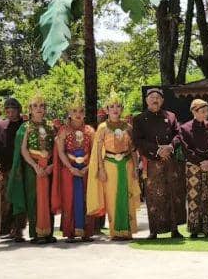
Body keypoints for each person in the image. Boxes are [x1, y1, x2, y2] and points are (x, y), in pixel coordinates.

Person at [133, 88, 185, 239]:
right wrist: (157, 150)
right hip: (152, 161)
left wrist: (170, 147)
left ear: (162, 101)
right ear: (146, 100)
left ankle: (174, 229)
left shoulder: (170, 116)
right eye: (151, 97)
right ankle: (154, 231)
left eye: (158, 97)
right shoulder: (139, 119)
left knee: (173, 193)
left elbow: (178, 134)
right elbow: (138, 140)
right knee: (154, 196)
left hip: (170, 160)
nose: (155, 100)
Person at [87, 92, 140, 240]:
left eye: (118, 106)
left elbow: (133, 149)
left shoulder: (128, 127)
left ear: (122, 109)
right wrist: (101, 169)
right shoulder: (102, 127)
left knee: (127, 196)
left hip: (127, 164)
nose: (115, 109)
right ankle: (115, 232)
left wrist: (136, 168)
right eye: (112, 106)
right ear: (107, 109)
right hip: (109, 164)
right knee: (112, 197)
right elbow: (97, 151)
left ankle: (127, 231)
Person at [8, 92, 56, 243]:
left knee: (48, 199)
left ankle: (48, 232)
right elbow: (22, 150)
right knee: (33, 199)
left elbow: (56, 149)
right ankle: (36, 233)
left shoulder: (50, 127)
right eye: (35, 106)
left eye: (42, 106)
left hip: (47, 168)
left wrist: (51, 166)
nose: (39, 109)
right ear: (30, 109)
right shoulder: (25, 127)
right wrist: (35, 166)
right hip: (32, 169)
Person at [52, 94, 96, 242]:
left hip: (86, 171)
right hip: (68, 170)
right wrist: (71, 168)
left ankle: (86, 232)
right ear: (69, 113)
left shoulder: (90, 130)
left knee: (85, 198)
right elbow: (60, 152)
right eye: (74, 111)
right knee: (69, 199)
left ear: (84, 114)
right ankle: (70, 232)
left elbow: (95, 152)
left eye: (81, 111)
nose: (78, 114)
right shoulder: (63, 130)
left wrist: (88, 167)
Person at [176, 98, 208, 238]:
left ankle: (207, 228)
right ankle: (194, 228)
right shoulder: (185, 128)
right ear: (193, 112)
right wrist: (200, 162)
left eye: (206, 111)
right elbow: (186, 148)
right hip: (193, 166)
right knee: (194, 196)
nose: (205, 114)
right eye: (201, 111)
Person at [0, 96, 24, 241]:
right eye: (8, 110)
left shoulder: (25, 125)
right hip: (6, 169)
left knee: (19, 200)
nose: (11, 113)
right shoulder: (0, 127)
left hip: (23, 169)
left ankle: (18, 230)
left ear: (19, 110)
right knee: (8, 199)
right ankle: (8, 228)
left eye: (14, 110)